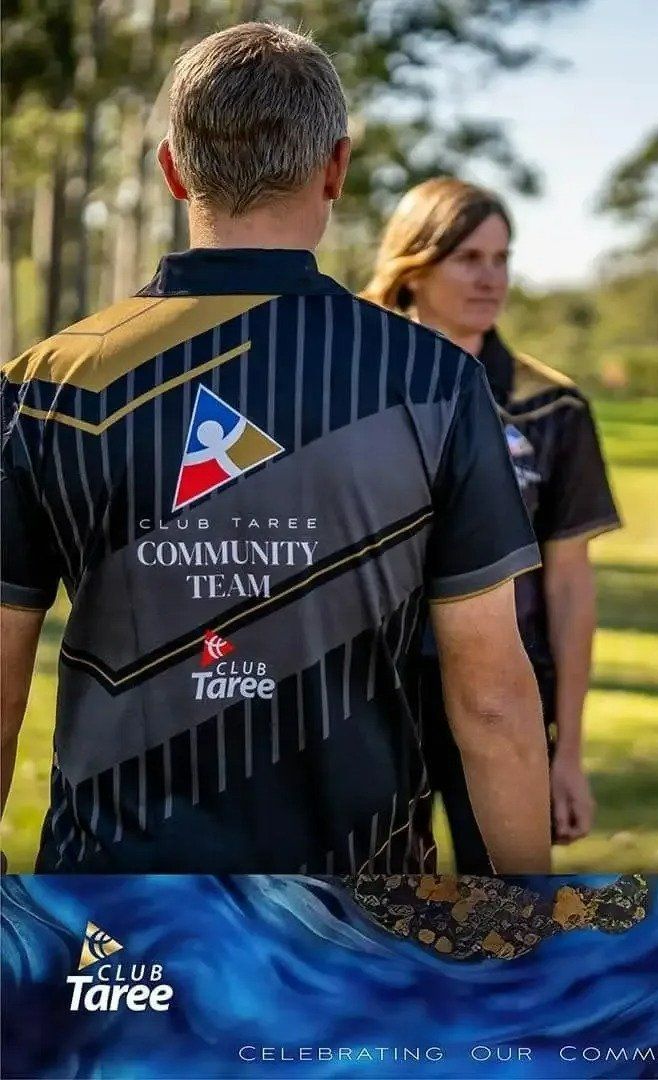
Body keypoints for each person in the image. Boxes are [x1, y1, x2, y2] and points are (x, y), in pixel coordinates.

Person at [0, 24, 552, 875]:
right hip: (359, 911)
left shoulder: (47, 384)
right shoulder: (433, 381)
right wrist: (529, 928)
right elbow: (491, 699)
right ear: (336, 167)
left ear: (173, 170)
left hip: (113, 906)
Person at [364, 178, 621, 873]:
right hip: (368, 697)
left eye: (502, 258)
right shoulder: (349, 390)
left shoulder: (552, 407)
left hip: (506, 690)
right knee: (367, 923)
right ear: (412, 266)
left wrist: (565, 754)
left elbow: (569, 587)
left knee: (508, 921)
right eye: (468, 258)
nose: (491, 278)